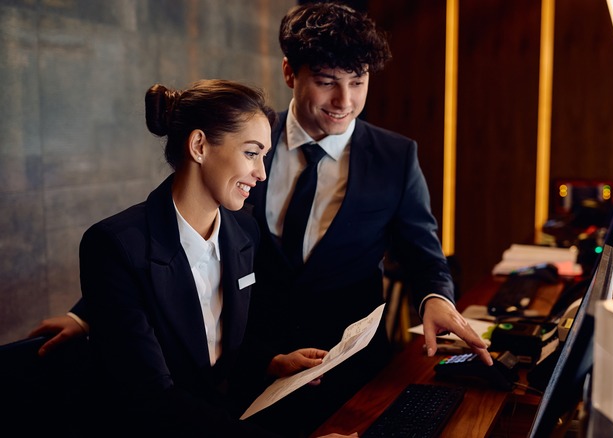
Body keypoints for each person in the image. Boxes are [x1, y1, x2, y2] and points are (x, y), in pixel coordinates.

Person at [31, 3, 492, 436]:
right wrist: (91, 312)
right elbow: (160, 243)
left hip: (338, 366)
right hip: (245, 375)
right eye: (328, 81)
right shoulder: (242, 131)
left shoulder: (395, 157)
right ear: (291, 72)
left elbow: (423, 252)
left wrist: (436, 297)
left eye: (358, 82)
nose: (344, 100)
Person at [67, 79, 354, 438]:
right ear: (200, 145)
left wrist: (270, 362)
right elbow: (152, 399)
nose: (261, 173)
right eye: (251, 153)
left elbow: (219, 345)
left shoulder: (244, 231)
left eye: (264, 156)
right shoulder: (113, 246)